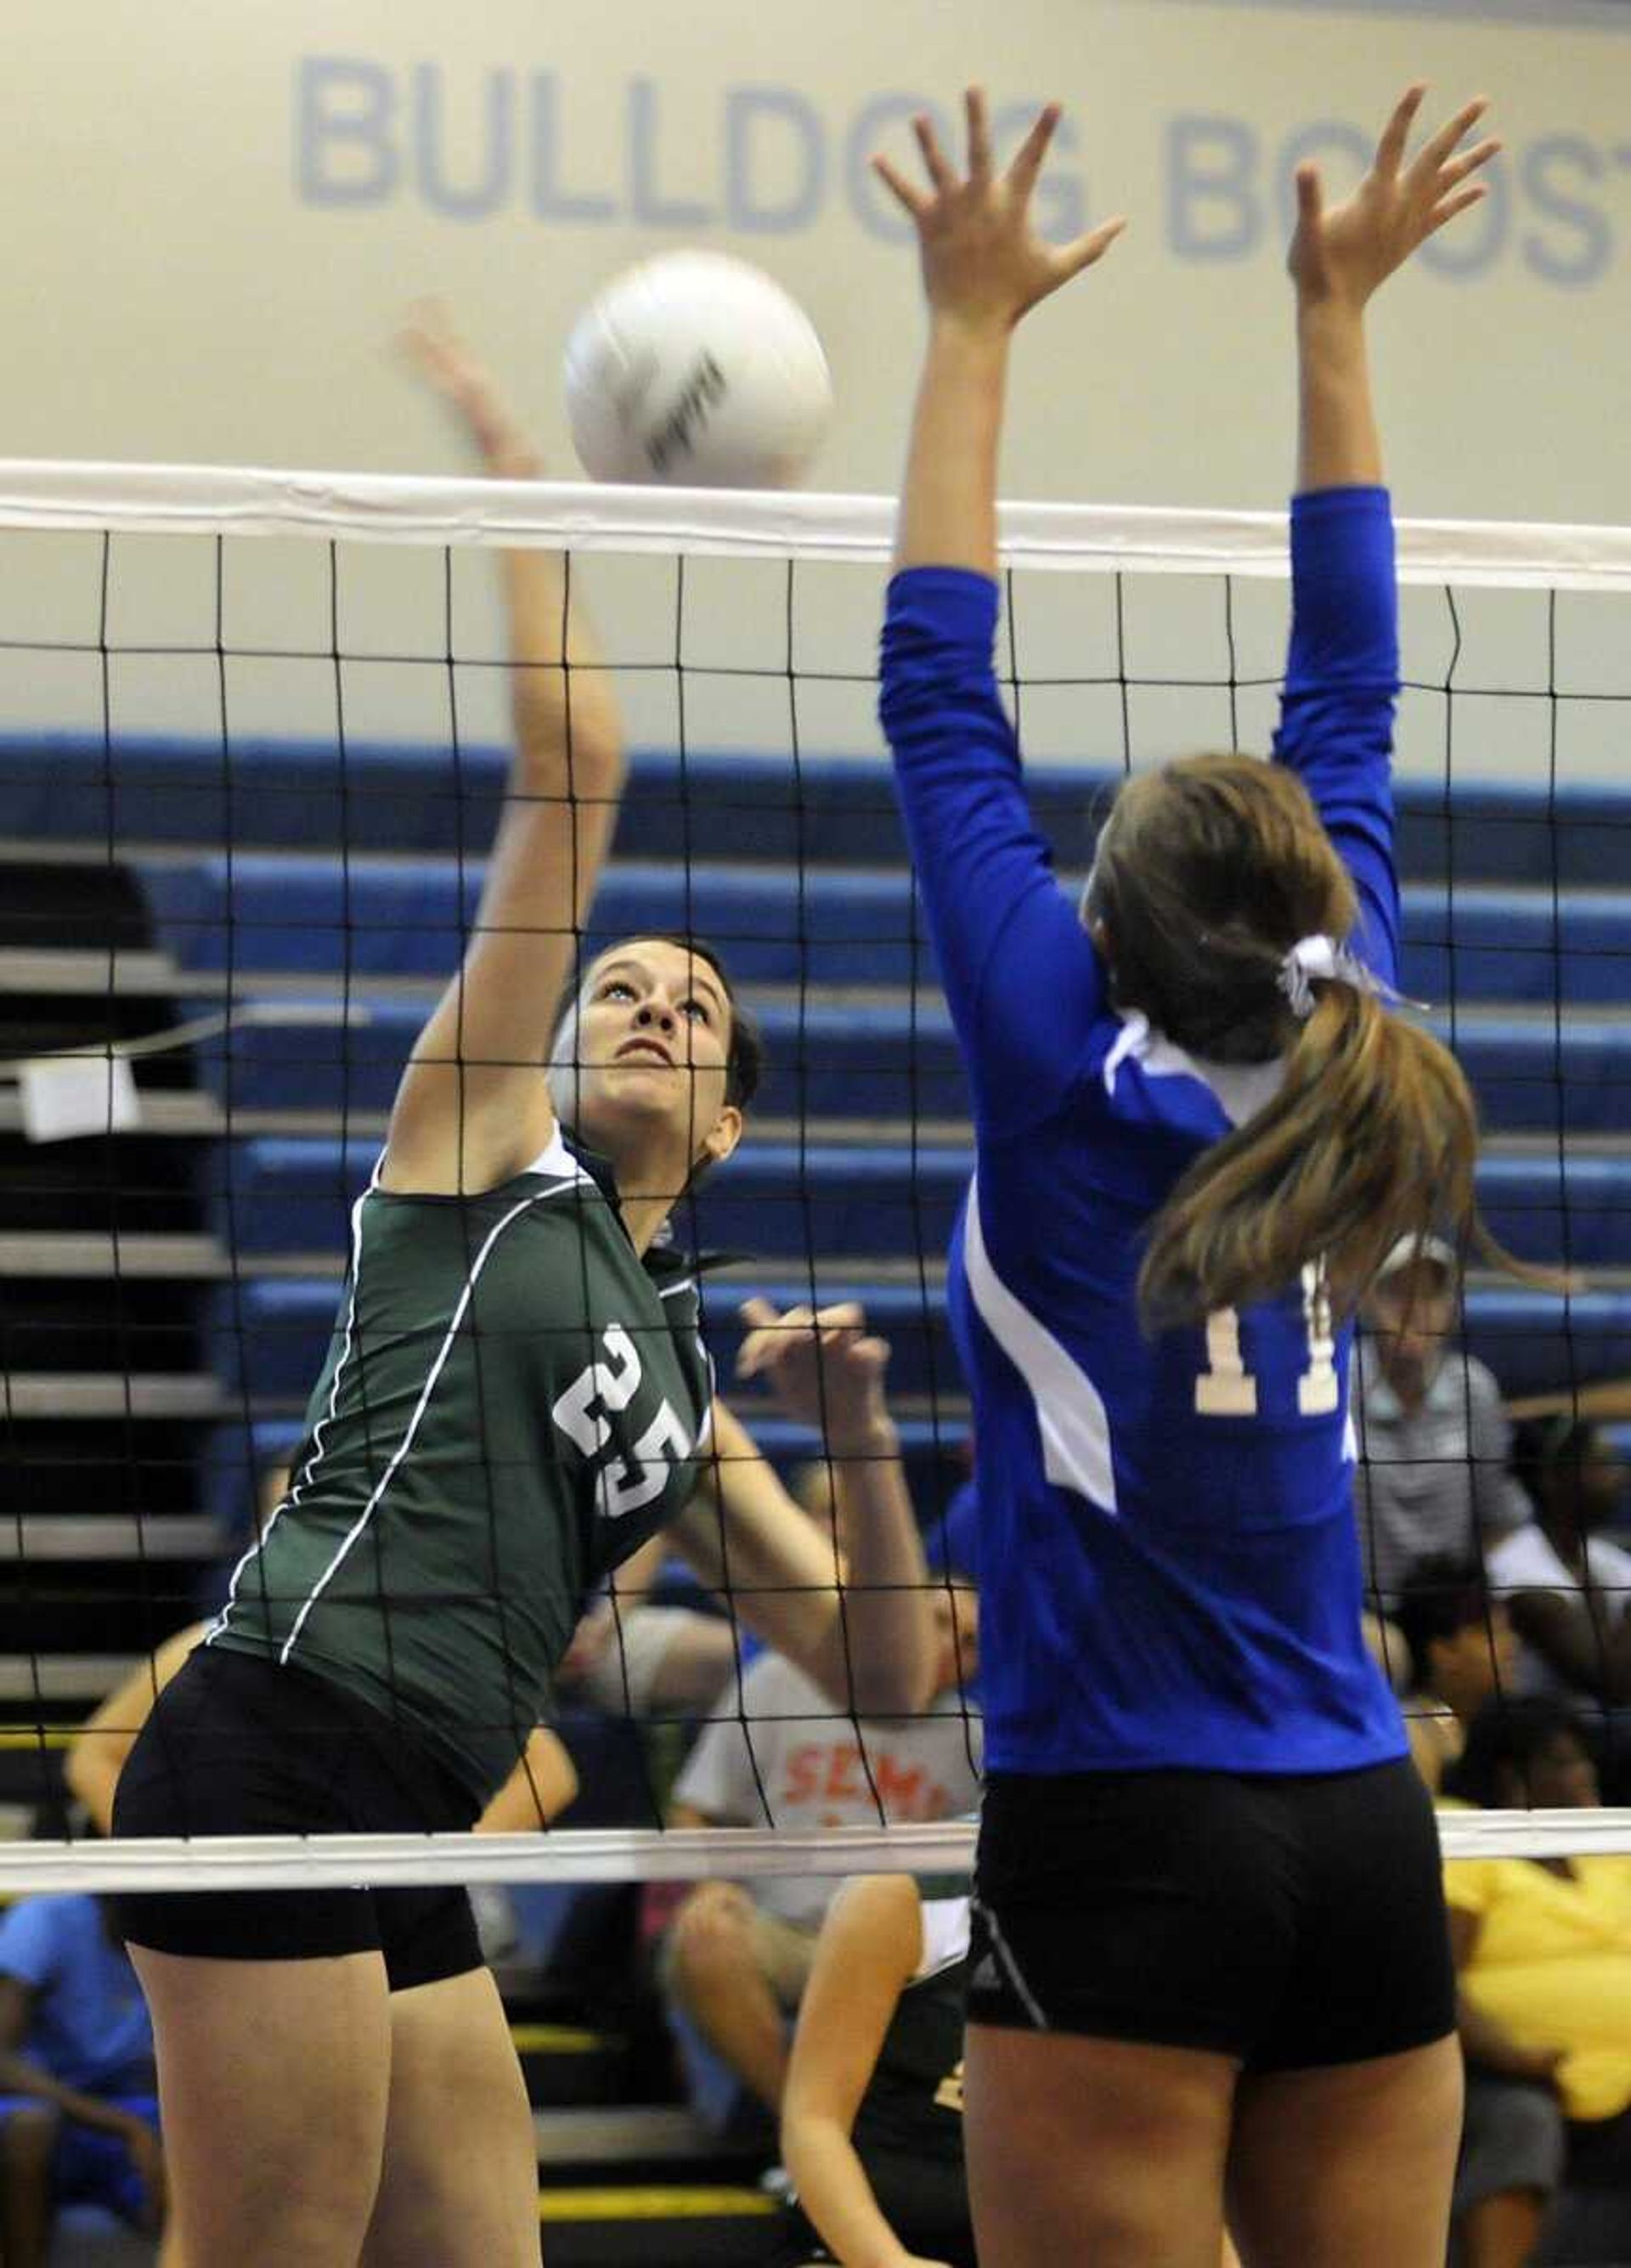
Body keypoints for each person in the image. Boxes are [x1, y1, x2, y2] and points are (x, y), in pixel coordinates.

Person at [107, 306, 937, 2268]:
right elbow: (571, 772)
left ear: (727, 1122)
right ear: (561, 1052)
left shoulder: (680, 1374)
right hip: (282, 1730)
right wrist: (521, 464)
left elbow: (887, 1676)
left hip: (415, 1807)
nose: (650, 998)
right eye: (620, 985)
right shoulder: (478, 1148)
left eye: (695, 1001)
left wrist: (872, 1440)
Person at [872, 79, 1504, 2267]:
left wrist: (969, 323)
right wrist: (1337, 313)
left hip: (1124, 1829)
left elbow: (935, 690)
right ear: (1311, 903)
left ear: (1102, 928)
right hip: (1356, 1825)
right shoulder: (1363, 1019)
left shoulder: (1056, 1064)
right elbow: (1352, 677)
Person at [663, 1566, 981, 2118]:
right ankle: (807, 2135)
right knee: (705, 1941)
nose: (950, 1644)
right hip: (784, 1932)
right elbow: (693, 1811)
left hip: (899, 1954)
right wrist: (712, 1885)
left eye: (972, 1642)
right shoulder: (781, 1683)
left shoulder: (975, 1737)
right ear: (896, 1620)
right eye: (938, 1621)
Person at [1442, 1698, 1631, 2263]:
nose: (1586, 1774)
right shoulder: (1468, 1838)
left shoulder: (1604, 1846)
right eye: (1565, 1762)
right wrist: (1511, 2054)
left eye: (1584, 1760)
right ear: (1514, 1775)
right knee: (1521, 2120)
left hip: (1616, 2075)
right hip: (1500, 2072)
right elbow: (1434, 1980)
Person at [0, 1895, 178, 2268]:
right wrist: (126, 2127)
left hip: (122, 2103)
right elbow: (3, 2061)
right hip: (44, 2098)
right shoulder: (46, 1920)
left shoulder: (173, 1933)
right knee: (30, 2128)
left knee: (194, 2136)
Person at [1354, 1234, 1530, 1606]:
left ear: (1451, 1311)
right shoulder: (1340, 1385)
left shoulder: (1474, 1388)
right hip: (1361, 1608)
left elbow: (1497, 1517)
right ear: (1369, 1302)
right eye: (1397, 1294)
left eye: (1430, 1296)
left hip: (1450, 1607)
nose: (1413, 1310)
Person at [1491, 1418, 1631, 1707]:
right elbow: (1608, 1683)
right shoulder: (1517, 1570)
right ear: (1554, 1478)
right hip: (1546, 1739)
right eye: (1600, 1464)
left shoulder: (1601, 1556)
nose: (1619, 1477)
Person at [1393, 1556, 1518, 1794]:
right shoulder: (1412, 1736)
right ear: (1444, 1652)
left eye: (1508, 1630)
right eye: (1491, 1633)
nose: (1511, 1645)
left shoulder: (1493, 1726)